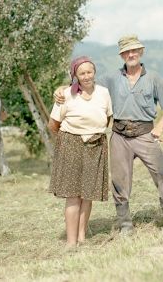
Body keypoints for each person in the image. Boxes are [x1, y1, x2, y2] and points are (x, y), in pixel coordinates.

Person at [54, 35, 163, 233]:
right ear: (122, 55)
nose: (131, 54)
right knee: (119, 181)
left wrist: (160, 126)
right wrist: (61, 88)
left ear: (141, 52)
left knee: (162, 176)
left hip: (146, 134)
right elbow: (86, 83)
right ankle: (125, 225)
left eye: (135, 50)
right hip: (119, 136)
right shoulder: (110, 79)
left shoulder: (153, 78)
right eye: (127, 51)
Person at [48, 56, 112, 247]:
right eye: (82, 73)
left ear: (94, 73)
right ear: (75, 75)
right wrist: (71, 139)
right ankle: (70, 242)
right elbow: (53, 124)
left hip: (96, 144)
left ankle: (82, 236)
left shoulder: (103, 93)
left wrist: (93, 132)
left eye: (89, 72)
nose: (86, 76)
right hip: (71, 145)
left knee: (87, 194)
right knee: (73, 195)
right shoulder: (66, 94)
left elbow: (108, 118)